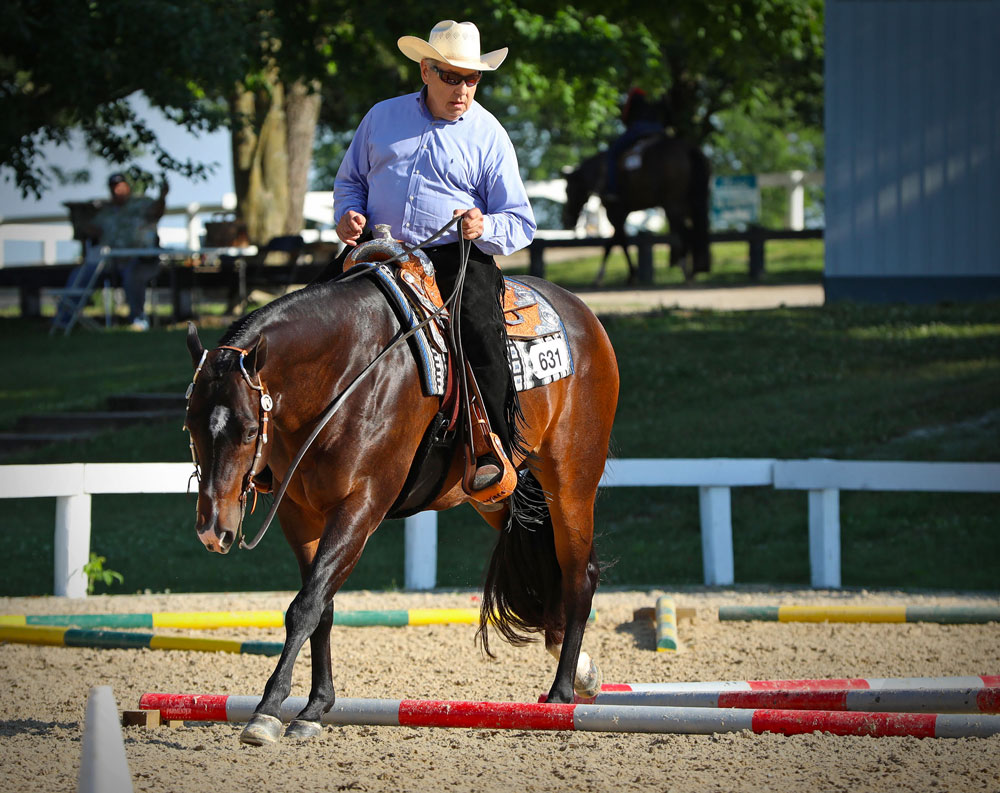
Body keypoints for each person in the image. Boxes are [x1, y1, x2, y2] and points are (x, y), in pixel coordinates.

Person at [334, 19, 536, 494]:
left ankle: (492, 450)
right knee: (309, 314)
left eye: (472, 78)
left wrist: (484, 226)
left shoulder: (489, 133)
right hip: (377, 253)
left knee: (482, 335)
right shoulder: (381, 118)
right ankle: (287, 441)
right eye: (451, 76)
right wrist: (348, 214)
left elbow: (520, 220)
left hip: (455, 258)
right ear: (425, 71)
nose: (463, 89)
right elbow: (351, 182)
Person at [77, 173, 168, 330]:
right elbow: (91, 230)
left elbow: (157, 213)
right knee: (83, 272)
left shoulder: (142, 204)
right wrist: (83, 219)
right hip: (111, 261)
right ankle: (65, 318)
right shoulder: (106, 211)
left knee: (132, 275)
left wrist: (163, 196)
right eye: (113, 188)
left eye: (120, 186)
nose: (116, 191)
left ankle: (138, 320)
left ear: (127, 187)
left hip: (141, 261)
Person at [604, 87, 665, 200]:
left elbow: (626, 116)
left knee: (612, 154)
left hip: (639, 129)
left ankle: (612, 190)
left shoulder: (635, 91)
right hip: (659, 130)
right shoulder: (659, 89)